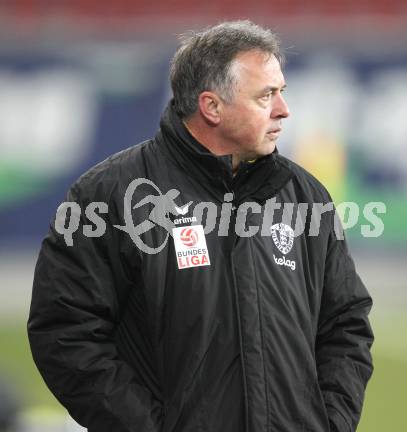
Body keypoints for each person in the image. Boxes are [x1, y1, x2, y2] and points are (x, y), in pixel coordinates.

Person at [28, 20, 374, 432]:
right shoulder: (110, 197)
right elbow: (66, 333)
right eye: (266, 96)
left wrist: (330, 423)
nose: (284, 109)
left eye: (282, 92)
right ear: (212, 107)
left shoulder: (306, 197)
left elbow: (345, 323)